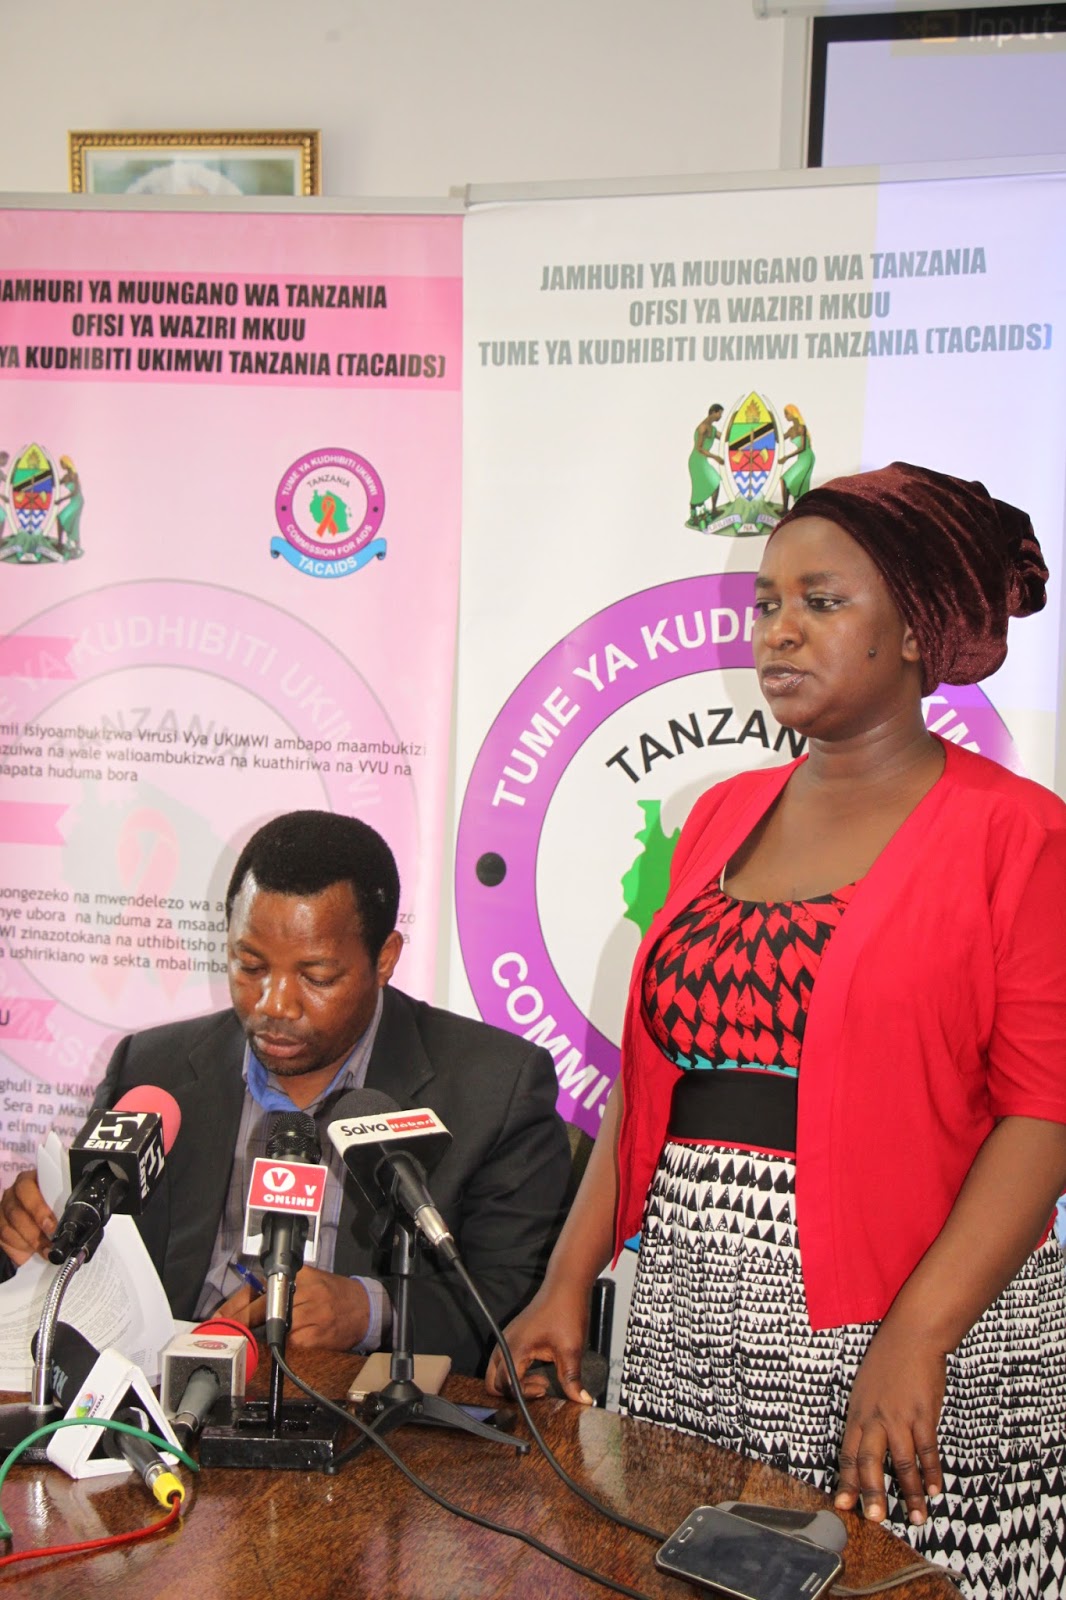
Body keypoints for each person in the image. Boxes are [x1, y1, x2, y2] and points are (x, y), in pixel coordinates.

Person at [488, 462, 1066, 1598]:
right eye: (765, 603)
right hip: (692, 1332)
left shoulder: (1019, 833)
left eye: (821, 601)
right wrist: (568, 1277)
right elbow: (655, 1082)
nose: (778, 630)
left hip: (912, 1335)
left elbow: (1044, 1115)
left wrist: (917, 1337)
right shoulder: (719, 815)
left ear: (916, 631)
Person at [0, 811, 572, 1376]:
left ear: (385, 959)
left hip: (360, 1408)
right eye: (250, 966)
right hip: (167, 1391)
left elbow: (515, 1300)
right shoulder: (152, 1069)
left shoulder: (495, 1087)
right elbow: (93, 1263)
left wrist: (369, 1311)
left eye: (316, 977)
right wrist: (30, 1235)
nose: (274, 1004)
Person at [686, 403, 724, 528]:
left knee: (716, 481)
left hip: (703, 461)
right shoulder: (703, 427)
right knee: (698, 488)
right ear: (713, 412)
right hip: (697, 461)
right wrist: (716, 457)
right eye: (719, 413)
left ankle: (713, 510)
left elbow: (724, 437)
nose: (720, 416)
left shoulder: (712, 429)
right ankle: (694, 516)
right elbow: (699, 448)